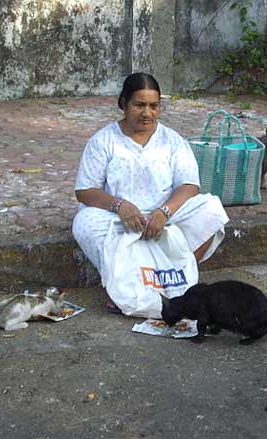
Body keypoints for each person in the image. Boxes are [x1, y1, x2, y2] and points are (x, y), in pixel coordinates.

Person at [72, 72, 229, 313]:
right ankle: (124, 288)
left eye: (154, 106)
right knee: (84, 222)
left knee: (211, 209)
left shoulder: (171, 140)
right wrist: (120, 206)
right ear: (124, 104)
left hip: (165, 217)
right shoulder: (103, 141)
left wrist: (164, 212)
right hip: (119, 219)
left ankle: (179, 274)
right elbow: (85, 191)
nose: (147, 113)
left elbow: (189, 184)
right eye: (139, 105)